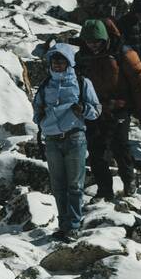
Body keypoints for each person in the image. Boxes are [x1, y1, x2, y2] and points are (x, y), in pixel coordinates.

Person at [33, 44, 102, 241]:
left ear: (69, 62)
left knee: (74, 185)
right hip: (52, 140)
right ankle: (64, 226)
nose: (57, 64)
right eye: (54, 60)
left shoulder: (82, 83)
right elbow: (36, 109)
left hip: (74, 137)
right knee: (58, 186)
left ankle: (73, 225)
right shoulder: (46, 85)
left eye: (61, 60)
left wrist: (84, 110)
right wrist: (42, 119)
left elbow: (96, 110)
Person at [77, 18, 141, 199]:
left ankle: (129, 182)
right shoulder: (81, 57)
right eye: (89, 42)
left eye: (97, 42)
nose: (93, 45)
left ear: (105, 38)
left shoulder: (122, 53)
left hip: (120, 106)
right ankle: (105, 190)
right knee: (96, 151)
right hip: (95, 108)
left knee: (120, 146)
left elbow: (140, 82)